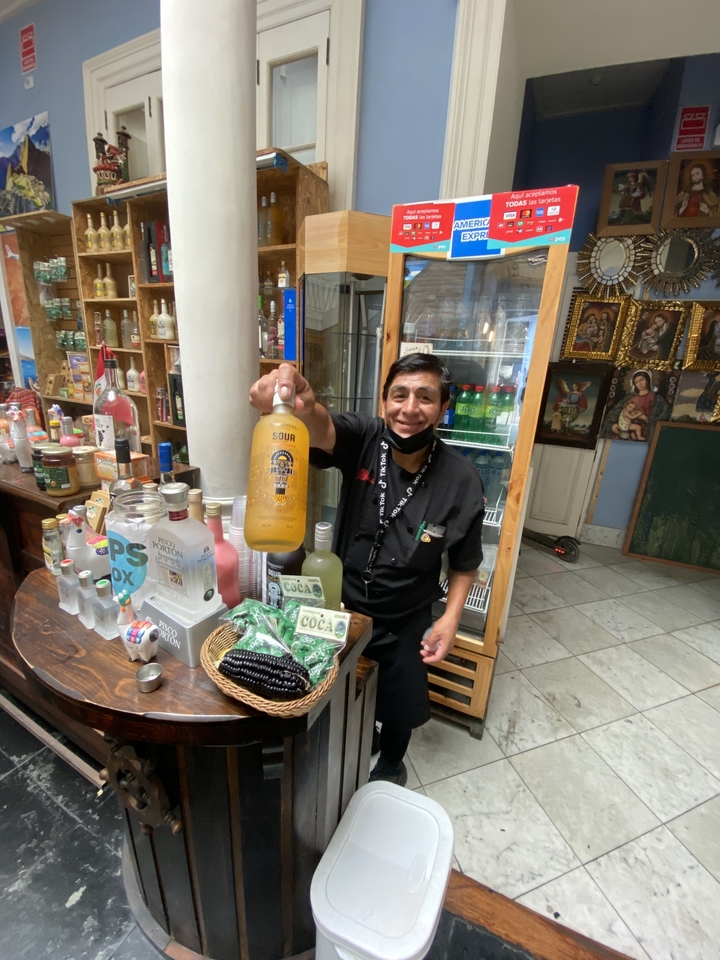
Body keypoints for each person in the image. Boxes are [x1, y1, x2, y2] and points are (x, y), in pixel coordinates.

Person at [249, 354, 485, 785]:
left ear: (443, 407)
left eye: (425, 397)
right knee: (347, 683)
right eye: (399, 394)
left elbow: (465, 561)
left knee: (400, 701)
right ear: (384, 402)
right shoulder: (365, 437)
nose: (409, 408)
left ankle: (393, 760)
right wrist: (300, 403)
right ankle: (366, 734)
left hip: (407, 612)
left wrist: (450, 619)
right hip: (346, 604)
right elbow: (321, 427)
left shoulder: (461, 479)